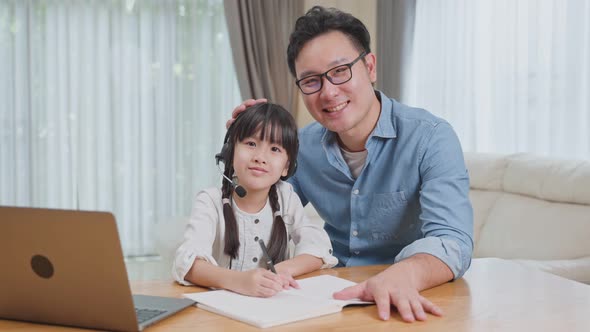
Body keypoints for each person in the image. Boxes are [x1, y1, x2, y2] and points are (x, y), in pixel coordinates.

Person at [229, 6, 473, 322]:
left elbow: (452, 240)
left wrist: (404, 274)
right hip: (330, 299)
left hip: (411, 297)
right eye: (311, 81)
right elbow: (259, 216)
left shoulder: (431, 138)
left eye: (340, 70)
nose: (329, 92)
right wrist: (246, 152)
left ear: (369, 67)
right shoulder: (301, 148)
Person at [173, 102, 337, 297]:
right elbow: (188, 264)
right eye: (251, 144)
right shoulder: (210, 201)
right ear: (230, 152)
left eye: (275, 149)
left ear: (287, 167)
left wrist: (282, 270)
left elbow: (318, 248)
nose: (260, 157)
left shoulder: (286, 197)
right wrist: (240, 281)